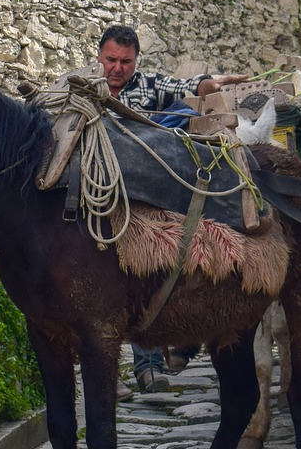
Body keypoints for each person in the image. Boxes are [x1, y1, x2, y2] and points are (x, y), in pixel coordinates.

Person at [96, 24, 247, 397]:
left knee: (140, 277)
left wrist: (214, 83)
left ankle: (148, 368)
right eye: (111, 60)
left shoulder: (147, 87)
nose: (118, 69)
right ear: (99, 57)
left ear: (135, 61)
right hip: (99, 199)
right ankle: (108, 374)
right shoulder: (86, 88)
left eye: (126, 62)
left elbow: (185, 88)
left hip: (144, 203)